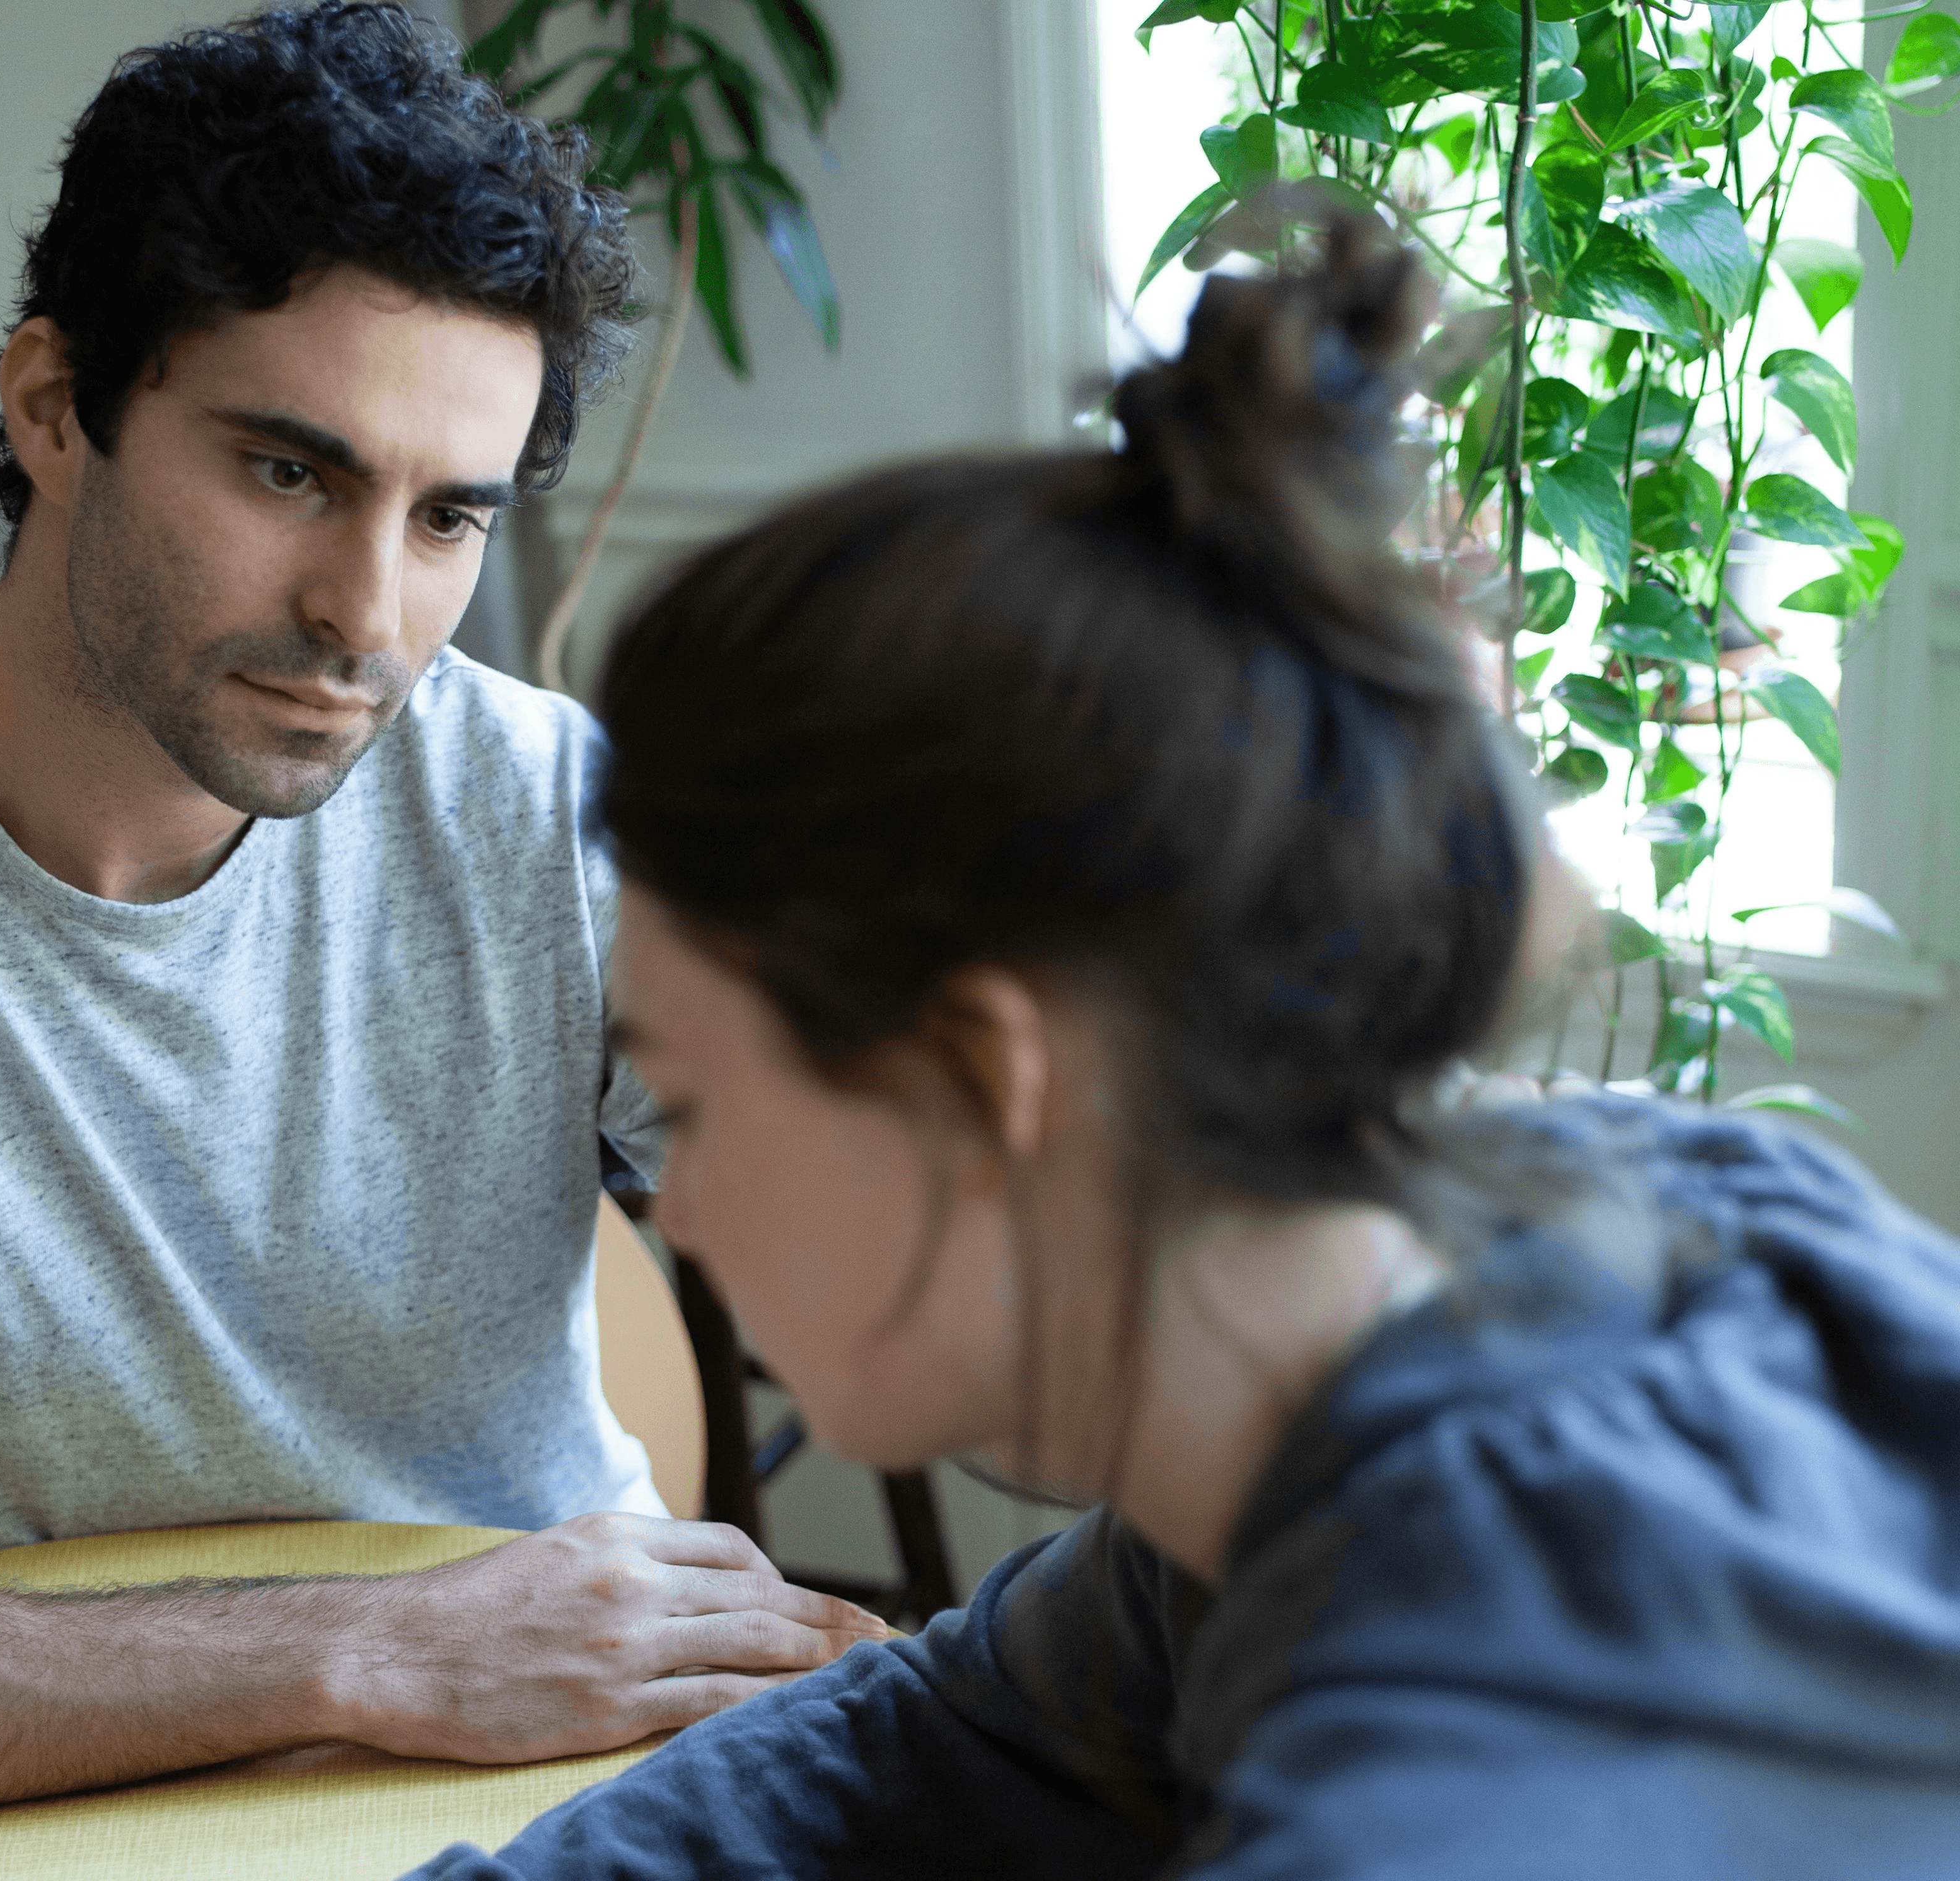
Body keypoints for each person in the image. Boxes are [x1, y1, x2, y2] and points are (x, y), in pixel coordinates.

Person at [407, 218, 1960, 1878]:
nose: (678, 1213)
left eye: (695, 1105)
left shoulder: (1450, 1804)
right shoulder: (1482, 1277)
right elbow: (947, 1739)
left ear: (982, 1075)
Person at [0, 2, 881, 1829]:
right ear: (54, 405)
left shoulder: (549, 814)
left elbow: (955, 1269)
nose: (368, 614)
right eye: (291, 472)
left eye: (450, 520)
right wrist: (367, 1650)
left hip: (556, 1791)